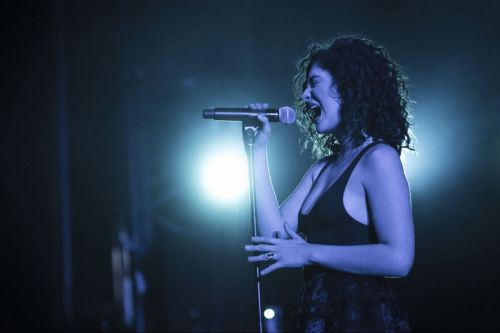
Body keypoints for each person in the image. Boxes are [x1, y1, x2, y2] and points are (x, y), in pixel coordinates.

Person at [244, 35, 415, 332]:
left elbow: (398, 258)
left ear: (347, 87)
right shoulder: (321, 169)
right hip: (317, 314)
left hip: (362, 317)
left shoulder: (379, 158)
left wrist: (309, 252)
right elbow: (272, 240)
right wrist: (257, 152)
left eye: (314, 83)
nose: (305, 96)